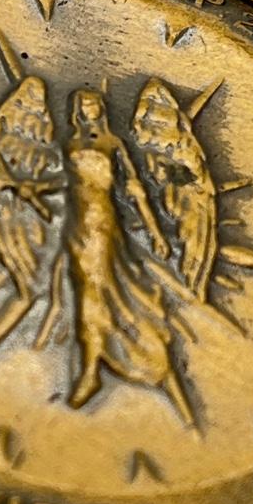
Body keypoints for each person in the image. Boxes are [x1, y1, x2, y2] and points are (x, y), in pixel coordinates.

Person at [64, 88, 193, 425]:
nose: (90, 109)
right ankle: (96, 358)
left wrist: (156, 232)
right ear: (78, 110)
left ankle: (92, 368)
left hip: (103, 226)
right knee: (87, 291)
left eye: (94, 104)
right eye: (84, 105)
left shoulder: (114, 144)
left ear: (101, 108)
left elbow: (136, 192)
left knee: (93, 292)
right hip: (75, 227)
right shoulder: (70, 144)